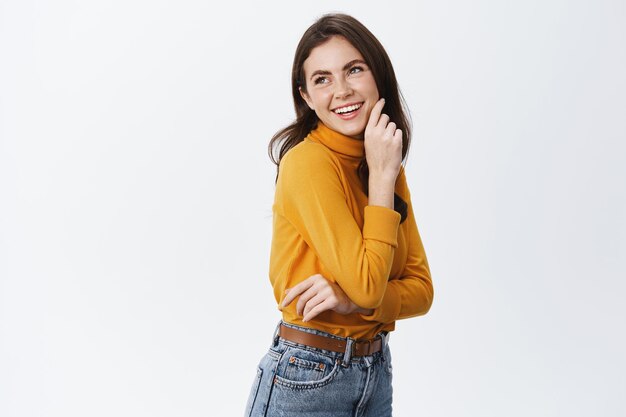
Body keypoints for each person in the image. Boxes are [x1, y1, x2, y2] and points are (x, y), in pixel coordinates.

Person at [244, 12, 434, 417]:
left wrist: (352, 301)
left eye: (354, 70)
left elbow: (422, 289)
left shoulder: (381, 157)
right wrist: (383, 179)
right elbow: (370, 286)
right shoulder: (309, 162)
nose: (342, 90)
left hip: (375, 372)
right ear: (307, 97)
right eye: (323, 79)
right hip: (308, 376)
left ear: (377, 74)